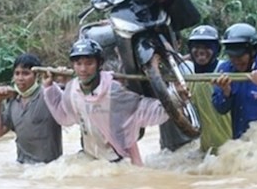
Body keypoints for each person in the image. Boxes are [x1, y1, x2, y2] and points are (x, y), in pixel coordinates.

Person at [42, 38, 169, 166]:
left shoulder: (113, 90)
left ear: (99, 64)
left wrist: (176, 98)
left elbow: (144, 110)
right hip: (89, 156)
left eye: (89, 63)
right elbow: (63, 114)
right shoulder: (72, 89)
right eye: (78, 63)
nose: (83, 69)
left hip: (116, 159)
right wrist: (49, 87)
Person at [0, 53, 63, 164]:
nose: (20, 78)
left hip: (49, 168)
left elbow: (70, 101)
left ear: (37, 76)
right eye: (17, 73)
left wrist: (62, 79)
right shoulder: (14, 101)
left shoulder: (47, 95)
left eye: (25, 73)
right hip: (23, 168)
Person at [185, 25, 233, 154]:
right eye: (196, 46)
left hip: (232, 152)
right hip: (206, 153)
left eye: (207, 46)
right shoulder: (189, 78)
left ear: (216, 49)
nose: (200, 51)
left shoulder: (228, 72)